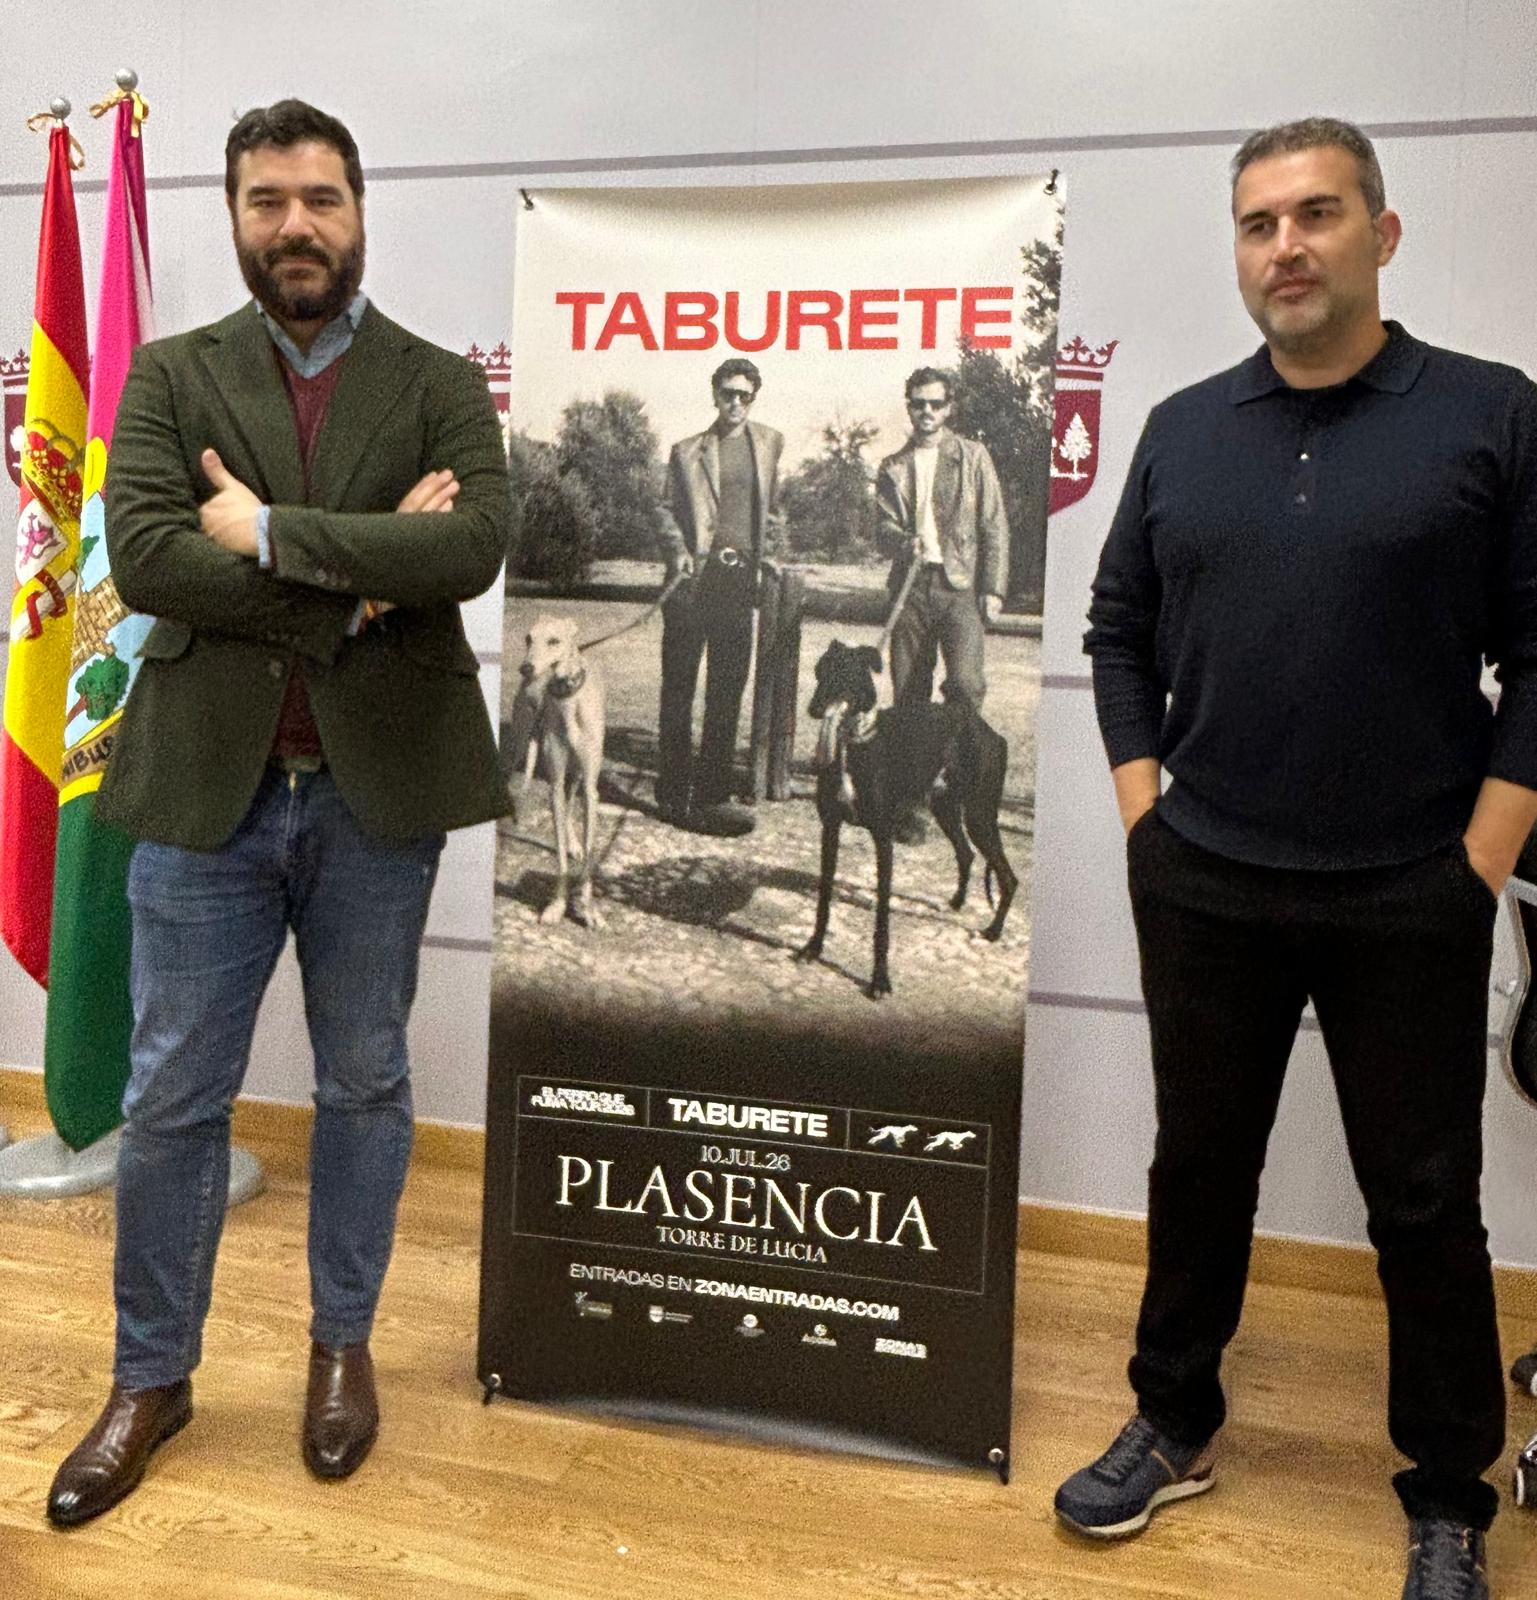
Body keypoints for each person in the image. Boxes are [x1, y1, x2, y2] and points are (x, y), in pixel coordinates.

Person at [1062, 116, 1537, 1600]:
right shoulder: (1184, 426)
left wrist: (1477, 859)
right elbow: (1118, 632)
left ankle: (1451, 1495)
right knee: (1197, 1168)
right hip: (1204, 873)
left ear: (1380, 235)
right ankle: (1175, 1417)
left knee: (1424, 1201)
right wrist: (1147, 819)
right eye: (1260, 223)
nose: (1287, 247)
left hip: (1412, 883)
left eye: (1317, 215)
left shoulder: (1489, 415)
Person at [45, 99, 511, 1527]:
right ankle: (151, 1378)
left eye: (318, 198)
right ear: (236, 215)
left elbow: (475, 545)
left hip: (378, 796)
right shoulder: (170, 377)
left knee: (364, 1081)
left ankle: (339, 1351)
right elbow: (150, 560)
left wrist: (268, 532)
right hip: (203, 794)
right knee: (172, 1094)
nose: (294, 225)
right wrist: (366, 579)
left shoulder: (439, 382)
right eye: (266, 201)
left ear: (359, 210)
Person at [655, 357, 784, 836]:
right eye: (728, 393)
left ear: (753, 399)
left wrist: (769, 555)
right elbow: (665, 510)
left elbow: (772, 512)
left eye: (744, 395)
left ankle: (711, 796)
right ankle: (671, 795)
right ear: (714, 395)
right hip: (692, 582)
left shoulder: (769, 444)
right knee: (679, 689)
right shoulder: (687, 451)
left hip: (737, 582)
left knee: (728, 690)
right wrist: (678, 554)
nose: (735, 402)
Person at [875, 366, 1008, 713]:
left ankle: (959, 765)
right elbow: (883, 531)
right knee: (908, 691)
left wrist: (993, 589)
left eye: (936, 403)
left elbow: (994, 524)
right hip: (911, 588)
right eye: (919, 404)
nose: (927, 412)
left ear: (949, 407)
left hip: (960, 587)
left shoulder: (973, 456)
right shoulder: (893, 466)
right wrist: (905, 542)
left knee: (966, 684)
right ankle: (915, 767)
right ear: (909, 408)